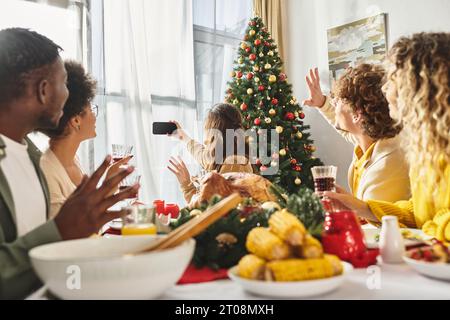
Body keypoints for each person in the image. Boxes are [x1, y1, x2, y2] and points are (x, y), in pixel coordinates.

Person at [0, 28, 138, 299]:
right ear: (43, 90)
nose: (67, 93)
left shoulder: (30, 157)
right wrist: (61, 230)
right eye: (63, 83)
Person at [324, 32, 450, 242]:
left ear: (419, 87)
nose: (384, 89)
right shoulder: (426, 147)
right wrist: (362, 208)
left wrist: (427, 234)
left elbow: (433, 222)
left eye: (392, 80)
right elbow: (420, 211)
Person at [303, 64, 410, 205]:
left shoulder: (386, 165)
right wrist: (322, 103)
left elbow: (377, 222)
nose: (334, 102)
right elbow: (346, 126)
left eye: (339, 99)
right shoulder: (368, 139)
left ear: (356, 114)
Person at [39, 61, 130, 218]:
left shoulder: (73, 159)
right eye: (92, 109)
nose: (95, 116)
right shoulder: (47, 172)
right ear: (75, 121)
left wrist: (108, 185)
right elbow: (70, 234)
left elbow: (86, 220)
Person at [167, 103, 253, 203]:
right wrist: (182, 136)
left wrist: (187, 185)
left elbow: (210, 209)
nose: (206, 138)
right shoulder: (223, 155)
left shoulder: (233, 163)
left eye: (208, 130)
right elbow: (202, 155)